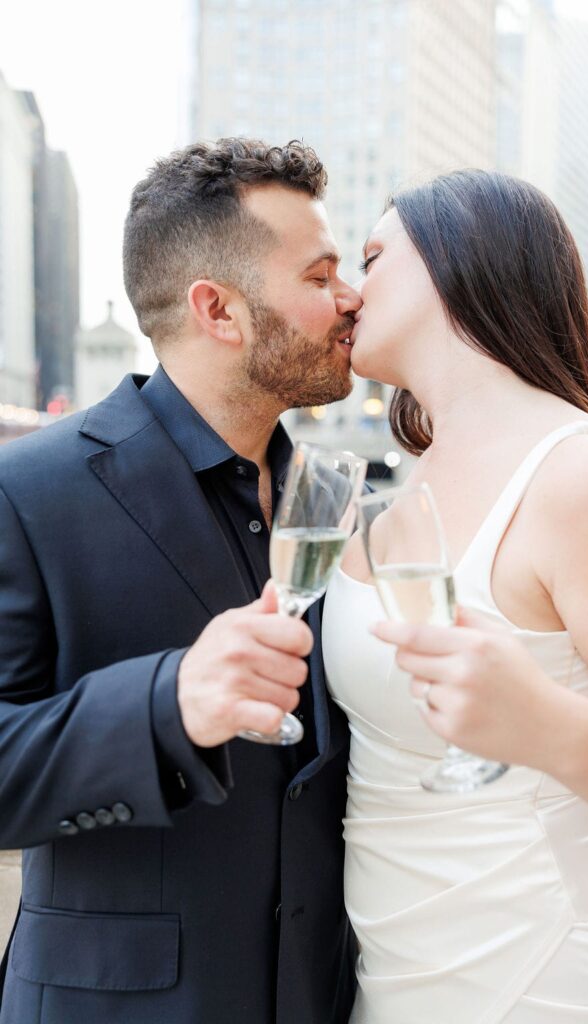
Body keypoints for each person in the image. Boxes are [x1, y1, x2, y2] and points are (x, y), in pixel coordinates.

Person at [0, 138, 362, 1024]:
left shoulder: (334, 498)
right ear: (219, 311)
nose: (351, 297)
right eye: (319, 278)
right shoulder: (28, 489)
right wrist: (167, 705)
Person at [322, 169, 588, 1021]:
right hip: (395, 974)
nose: (348, 290)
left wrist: (546, 726)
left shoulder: (581, 476)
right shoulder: (401, 493)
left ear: (459, 263)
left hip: (551, 974)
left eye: (372, 257)